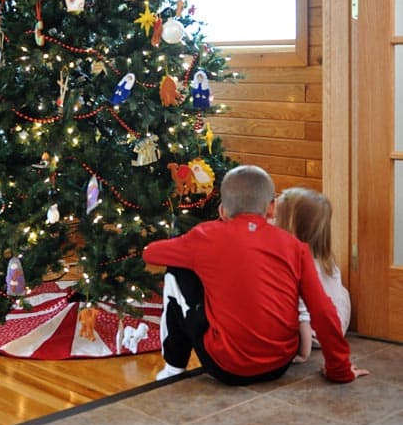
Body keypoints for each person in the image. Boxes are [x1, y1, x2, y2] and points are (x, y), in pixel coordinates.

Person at [142, 165, 368, 384]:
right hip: (279, 365)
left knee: (177, 268)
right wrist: (339, 369)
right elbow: (322, 309)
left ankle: (173, 367)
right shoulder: (295, 246)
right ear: (271, 208)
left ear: (222, 210)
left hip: (227, 368)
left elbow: (151, 254)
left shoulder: (205, 236)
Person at [275, 187, 351, 346]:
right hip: (336, 325)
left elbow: (300, 306)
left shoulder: (295, 262)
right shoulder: (326, 259)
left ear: (290, 225)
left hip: (309, 333)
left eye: (276, 217)